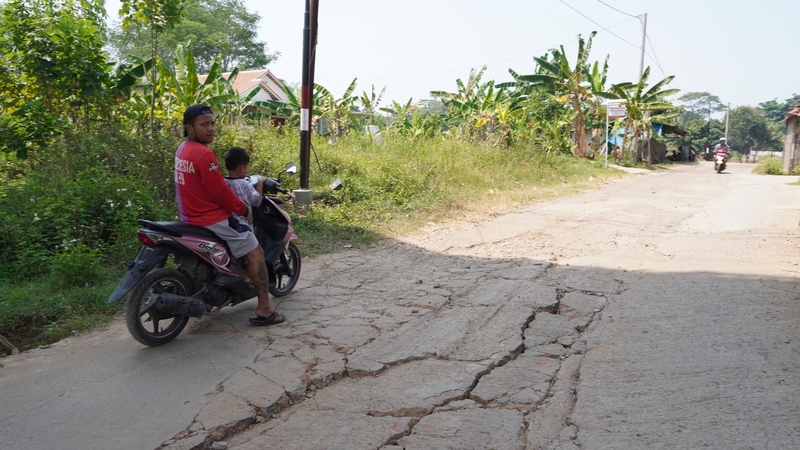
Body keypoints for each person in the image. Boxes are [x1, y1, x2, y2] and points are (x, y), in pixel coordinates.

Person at [175, 104, 285, 326]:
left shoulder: (183, 149)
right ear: (189, 128)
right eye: (204, 124)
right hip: (211, 218)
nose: (212, 128)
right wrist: (243, 209)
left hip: (189, 216)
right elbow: (219, 192)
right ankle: (265, 308)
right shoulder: (205, 154)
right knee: (256, 252)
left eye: (213, 123)